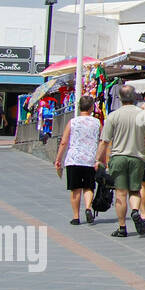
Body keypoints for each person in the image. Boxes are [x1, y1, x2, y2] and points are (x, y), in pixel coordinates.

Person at [96, 83, 145, 238]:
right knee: (135, 190)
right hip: (137, 157)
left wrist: (98, 160)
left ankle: (122, 227)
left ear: (120, 98)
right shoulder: (144, 115)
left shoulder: (113, 116)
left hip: (118, 157)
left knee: (120, 194)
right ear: (135, 96)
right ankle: (135, 211)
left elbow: (104, 141)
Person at [55, 96, 101, 225]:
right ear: (92, 107)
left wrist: (58, 159)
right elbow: (102, 140)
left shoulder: (73, 122)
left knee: (75, 189)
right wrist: (100, 159)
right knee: (88, 187)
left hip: (74, 159)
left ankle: (76, 217)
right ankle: (87, 208)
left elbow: (64, 142)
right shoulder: (97, 122)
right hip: (90, 159)